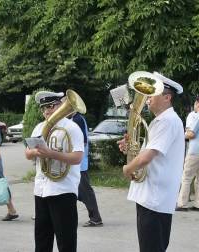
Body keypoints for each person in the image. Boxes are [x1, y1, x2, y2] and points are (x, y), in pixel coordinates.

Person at [117, 72, 185, 252]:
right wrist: (131, 149)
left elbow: (148, 157)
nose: (147, 98)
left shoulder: (167, 121)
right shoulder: (161, 121)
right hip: (153, 197)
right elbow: (149, 153)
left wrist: (127, 168)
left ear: (167, 97)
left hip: (155, 198)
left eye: (151, 93)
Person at [25, 91, 84, 252]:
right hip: (41, 190)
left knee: (66, 241)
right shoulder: (39, 127)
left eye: (50, 106)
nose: (47, 111)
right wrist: (35, 153)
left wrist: (51, 154)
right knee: (42, 239)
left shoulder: (72, 127)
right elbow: (27, 154)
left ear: (60, 105)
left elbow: (78, 157)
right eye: (43, 108)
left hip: (63, 190)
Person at [71, 112, 103, 227]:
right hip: (77, 163)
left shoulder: (77, 119)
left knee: (85, 192)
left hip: (79, 164)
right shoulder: (75, 118)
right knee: (75, 192)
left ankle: (96, 218)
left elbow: (82, 141)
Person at [176, 96, 199, 211]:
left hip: (195, 151)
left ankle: (182, 204)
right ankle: (198, 204)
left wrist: (181, 135)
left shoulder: (196, 117)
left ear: (197, 104)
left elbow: (191, 134)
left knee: (186, 177)